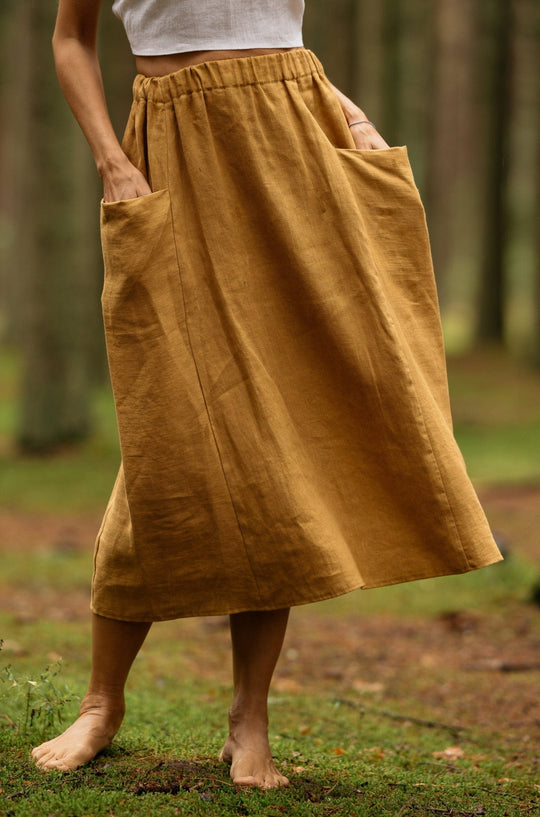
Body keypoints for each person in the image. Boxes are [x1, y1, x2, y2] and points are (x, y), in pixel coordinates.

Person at [31, 0, 503, 789]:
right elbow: (69, 40)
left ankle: (249, 718)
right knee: (170, 431)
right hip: (171, 155)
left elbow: (283, 39)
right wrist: (111, 161)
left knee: (283, 426)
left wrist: (350, 116)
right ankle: (100, 703)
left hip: (297, 143)